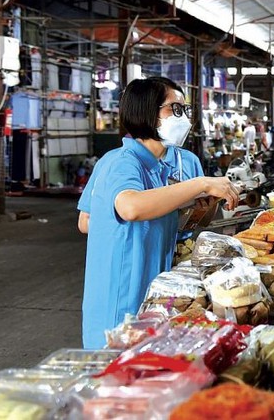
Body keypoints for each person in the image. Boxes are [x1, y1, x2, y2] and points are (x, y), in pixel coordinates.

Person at [76, 77, 239, 348]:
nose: (183, 118)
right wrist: (200, 184)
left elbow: (192, 221)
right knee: (116, 372)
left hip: (165, 287)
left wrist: (194, 209)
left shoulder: (184, 161)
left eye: (185, 110)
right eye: (174, 109)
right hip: (122, 291)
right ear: (146, 110)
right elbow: (126, 208)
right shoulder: (120, 162)